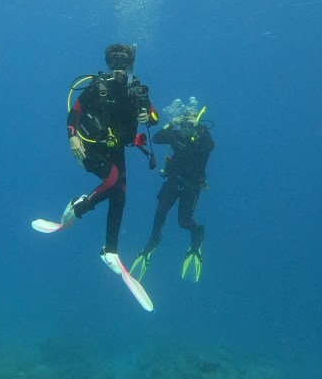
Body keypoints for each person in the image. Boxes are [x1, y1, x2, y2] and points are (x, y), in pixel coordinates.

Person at [62, 43, 159, 272]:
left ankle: (110, 250)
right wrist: (72, 138)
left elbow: (154, 116)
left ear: (129, 64)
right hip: (90, 148)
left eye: (122, 62)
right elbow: (74, 112)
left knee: (120, 196)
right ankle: (79, 207)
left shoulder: (136, 90)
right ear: (107, 63)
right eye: (112, 61)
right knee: (114, 182)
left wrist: (149, 116)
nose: (117, 67)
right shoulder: (97, 87)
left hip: (117, 149)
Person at [131, 98, 214, 282]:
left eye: (190, 120)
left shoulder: (202, 137)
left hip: (191, 186)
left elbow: (210, 147)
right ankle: (152, 243)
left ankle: (197, 236)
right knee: (159, 216)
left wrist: (199, 127)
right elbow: (157, 138)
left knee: (183, 222)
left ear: (197, 120)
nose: (186, 123)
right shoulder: (176, 135)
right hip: (172, 182)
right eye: (184, 120)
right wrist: (171, 123)